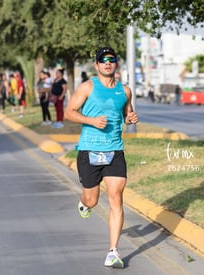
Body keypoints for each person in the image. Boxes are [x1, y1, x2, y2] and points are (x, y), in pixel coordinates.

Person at [65, 46, 139, 269]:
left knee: (116, 197)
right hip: (89, 150)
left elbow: (127, 113)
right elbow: (69, 112)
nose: (107, 63)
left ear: (116, 64)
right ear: (97, 65)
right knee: (93, 200)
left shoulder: (125, 91)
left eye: (111, 59)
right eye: (103, 60)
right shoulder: (88, 87)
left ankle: (113, 252)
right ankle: (84, 203)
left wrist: (131, 118)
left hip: (115, 150)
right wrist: (91, 121)